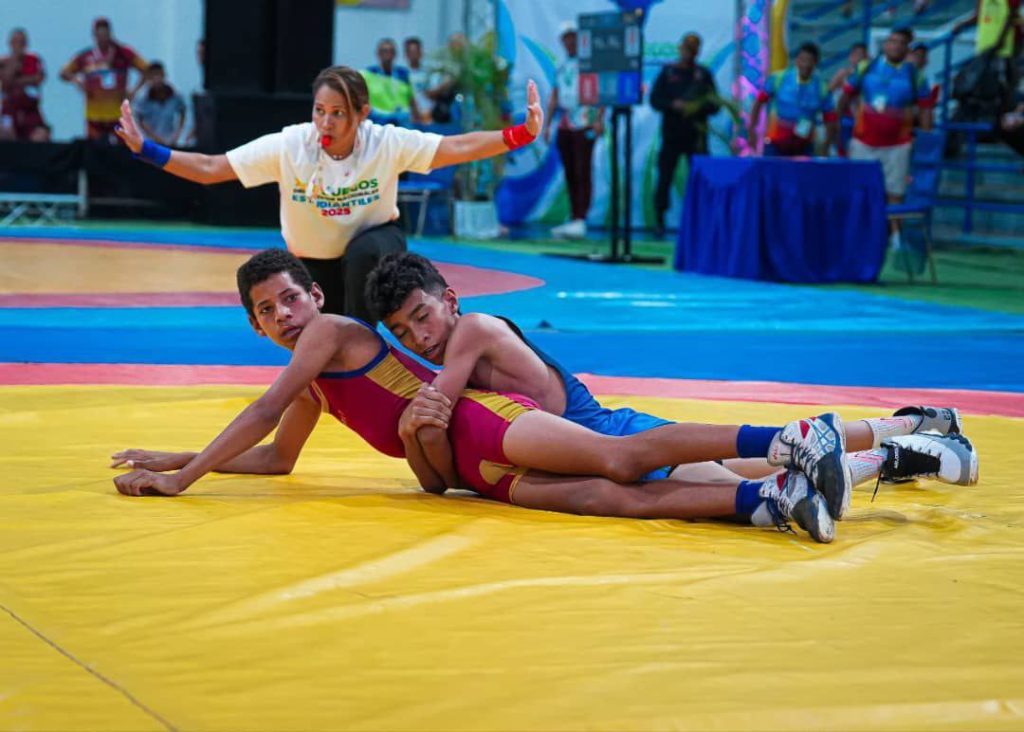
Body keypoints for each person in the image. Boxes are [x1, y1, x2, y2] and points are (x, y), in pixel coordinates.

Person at [111, 249, 847, 543]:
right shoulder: (315, 386)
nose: (284, 316)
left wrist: (184, 479)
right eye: (267, 311)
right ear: (254, 325)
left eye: (290, 299)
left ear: (316, 298)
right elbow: (276, 457)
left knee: (620, 460)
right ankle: (767, 499)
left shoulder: (329, 334)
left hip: (483, 424)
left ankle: (787, 441)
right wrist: (174, 457)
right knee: (608, 500)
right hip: (467, 468)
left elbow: (262, 410)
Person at [364, 252, 978, 518]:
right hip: (583, 437)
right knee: (753, 465)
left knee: (755, 473)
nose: (419, 337)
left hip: (602, 431)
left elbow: (435, 406)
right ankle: (907, 434)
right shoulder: (455, 340)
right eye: (402, 332)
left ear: (450, 300)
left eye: (422, 317)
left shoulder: (472, 329)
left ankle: (901, 445)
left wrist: (408, 418)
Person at [114, 65, 542, 323]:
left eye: (338, 113)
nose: (326, 122)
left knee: (361, 258)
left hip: (376, 251)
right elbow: (212, 169)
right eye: (320, 111)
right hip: (315, 264)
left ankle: (366, 345)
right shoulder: (290, 145)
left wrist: (519, 134)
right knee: (312, 328)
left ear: (362, 114)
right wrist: (146, 149)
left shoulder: (386, 142)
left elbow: (456, 147)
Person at [838, 26, 934, 244]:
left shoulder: (915, 75)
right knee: (858, 189)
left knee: (895, 192)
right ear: (885, 45)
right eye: (892, 41)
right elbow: (845, 96)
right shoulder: (866, 67)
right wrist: (838, 125)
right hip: (863, 142)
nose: (895, 46)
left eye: (901, 43)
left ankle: (895, 238)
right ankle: (856, 234)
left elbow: (926, 107)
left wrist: (925, 137)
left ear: (907, 49)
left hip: (898, 145)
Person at [649, 33, 720, 239]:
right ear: (680, 48)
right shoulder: (668, 72)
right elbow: (655, 100)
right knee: (664, 177)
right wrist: (673, 104)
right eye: (685, 47)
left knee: (701, 179)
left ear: (697, 51)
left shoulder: (703, 75)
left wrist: (696, 107)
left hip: (696, 137)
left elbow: (715, 105)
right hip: (671, 135)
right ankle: (659, 221)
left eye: (693, 48)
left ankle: (703, 220)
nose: (688, 52)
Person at [542, 21, 605, 241]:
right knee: (569, 171)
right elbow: (554, 96)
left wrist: (599, 119)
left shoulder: (589, 64)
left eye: (573, 37)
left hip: (585, 122)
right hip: (565, 123)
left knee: (582, 169)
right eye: (566, 38)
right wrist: (547, 125)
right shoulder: (561, 66)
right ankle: (573, 216)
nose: (569, 41)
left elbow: (600, 94)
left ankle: (581, 217)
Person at [60, 17, 147, 143]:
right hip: (94, 115)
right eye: (99, 35)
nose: (103, 38)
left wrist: (134, 91)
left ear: (110, 34)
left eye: (105, 34)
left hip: (118, 114)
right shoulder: (86, 56)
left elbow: (147, 70)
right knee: (94, 150)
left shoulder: (123, 53)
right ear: (94, 36)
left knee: (121, 150)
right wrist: (77, 81)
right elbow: (63, 73)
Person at [748, 42, 838, 157]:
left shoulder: (822, 88)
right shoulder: (779, 78)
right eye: (802, 59)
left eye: (809, 60)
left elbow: (830, 119)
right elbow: (758, 102)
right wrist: (752, 131)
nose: (805, 64)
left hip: (804, 145)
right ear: (797, 61)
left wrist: (827, 145)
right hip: (775, 143)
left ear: (815, 63)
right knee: (772, 168)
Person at [953, 0, 1022, 112]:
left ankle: (1002, 114)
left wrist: (1001, 40)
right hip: (983, 48)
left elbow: (1012, 16)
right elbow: (978, 15)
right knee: (983, 83)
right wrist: (961, 24)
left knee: (1002, 85)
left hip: (1002, 50)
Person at [0, 28, 48, 142]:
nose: (18, 45)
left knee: (40, 136)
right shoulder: (3, 62)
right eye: (16, 42)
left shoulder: (34, 59)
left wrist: (15, 81)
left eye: (21, 42)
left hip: (30, 108)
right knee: (4, 132)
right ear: (10, 43)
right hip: (9, 109)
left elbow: (38, 79)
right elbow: (5, 83)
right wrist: (14, 63)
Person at [362, 38, 420, 126]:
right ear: (378, 53)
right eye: (384, 51)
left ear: (395, 54)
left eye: (391, 51)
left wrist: (418, 119)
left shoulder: (403, 73)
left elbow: (411, 99)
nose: (387, 54)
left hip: (401, 122)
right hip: (378, 121)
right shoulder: (368, 74)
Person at [133, 62, 187, 146]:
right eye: (153, 75)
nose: (156, 78)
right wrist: (156, 139)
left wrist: (177, 134)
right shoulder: (142, 97)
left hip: (170, 141)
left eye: (159, 74)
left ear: (164, 75)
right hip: (149, 143)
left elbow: (183, 112)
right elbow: (140, 121)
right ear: (148, 78)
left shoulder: (175, 94)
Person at [403, 37, 432, 123]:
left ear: (421, 53)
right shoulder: (402, 74)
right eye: (411, 52)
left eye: (416, 52)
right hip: (409, 117)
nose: (414, 55)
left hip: (427, 116)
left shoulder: (429, 73)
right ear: (406, 54)